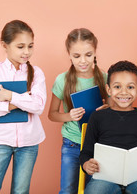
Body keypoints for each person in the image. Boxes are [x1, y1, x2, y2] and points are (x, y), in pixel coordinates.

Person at [0, 20, 47, 194]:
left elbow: (38, 106)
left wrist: (9, 96)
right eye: (20, 46)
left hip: (29, 143)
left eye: (30, 46)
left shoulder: (36, 73)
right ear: (4, 45)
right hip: (0, 141)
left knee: (20, 191)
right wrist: (19, 103)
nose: (27, 52)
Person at [80, 60, 137, 194]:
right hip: (104, 177)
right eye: (117, 87)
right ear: (108, 89)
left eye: (130, 87)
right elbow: (86, 152)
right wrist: (86, 164)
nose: (124, 92)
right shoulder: (97, 117)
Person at [48, 28, 108, 194]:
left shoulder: (104, 78)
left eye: (88, 55)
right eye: (77, 56)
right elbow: (52, 114)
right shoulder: (62, 80)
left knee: (93, 190)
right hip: (72, 144)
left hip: (97, 145)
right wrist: (69, 115)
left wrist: (106, 110)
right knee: (68, 190)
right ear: (69, 54)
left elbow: (114, 111)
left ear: (95, 52)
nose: (83, 61)